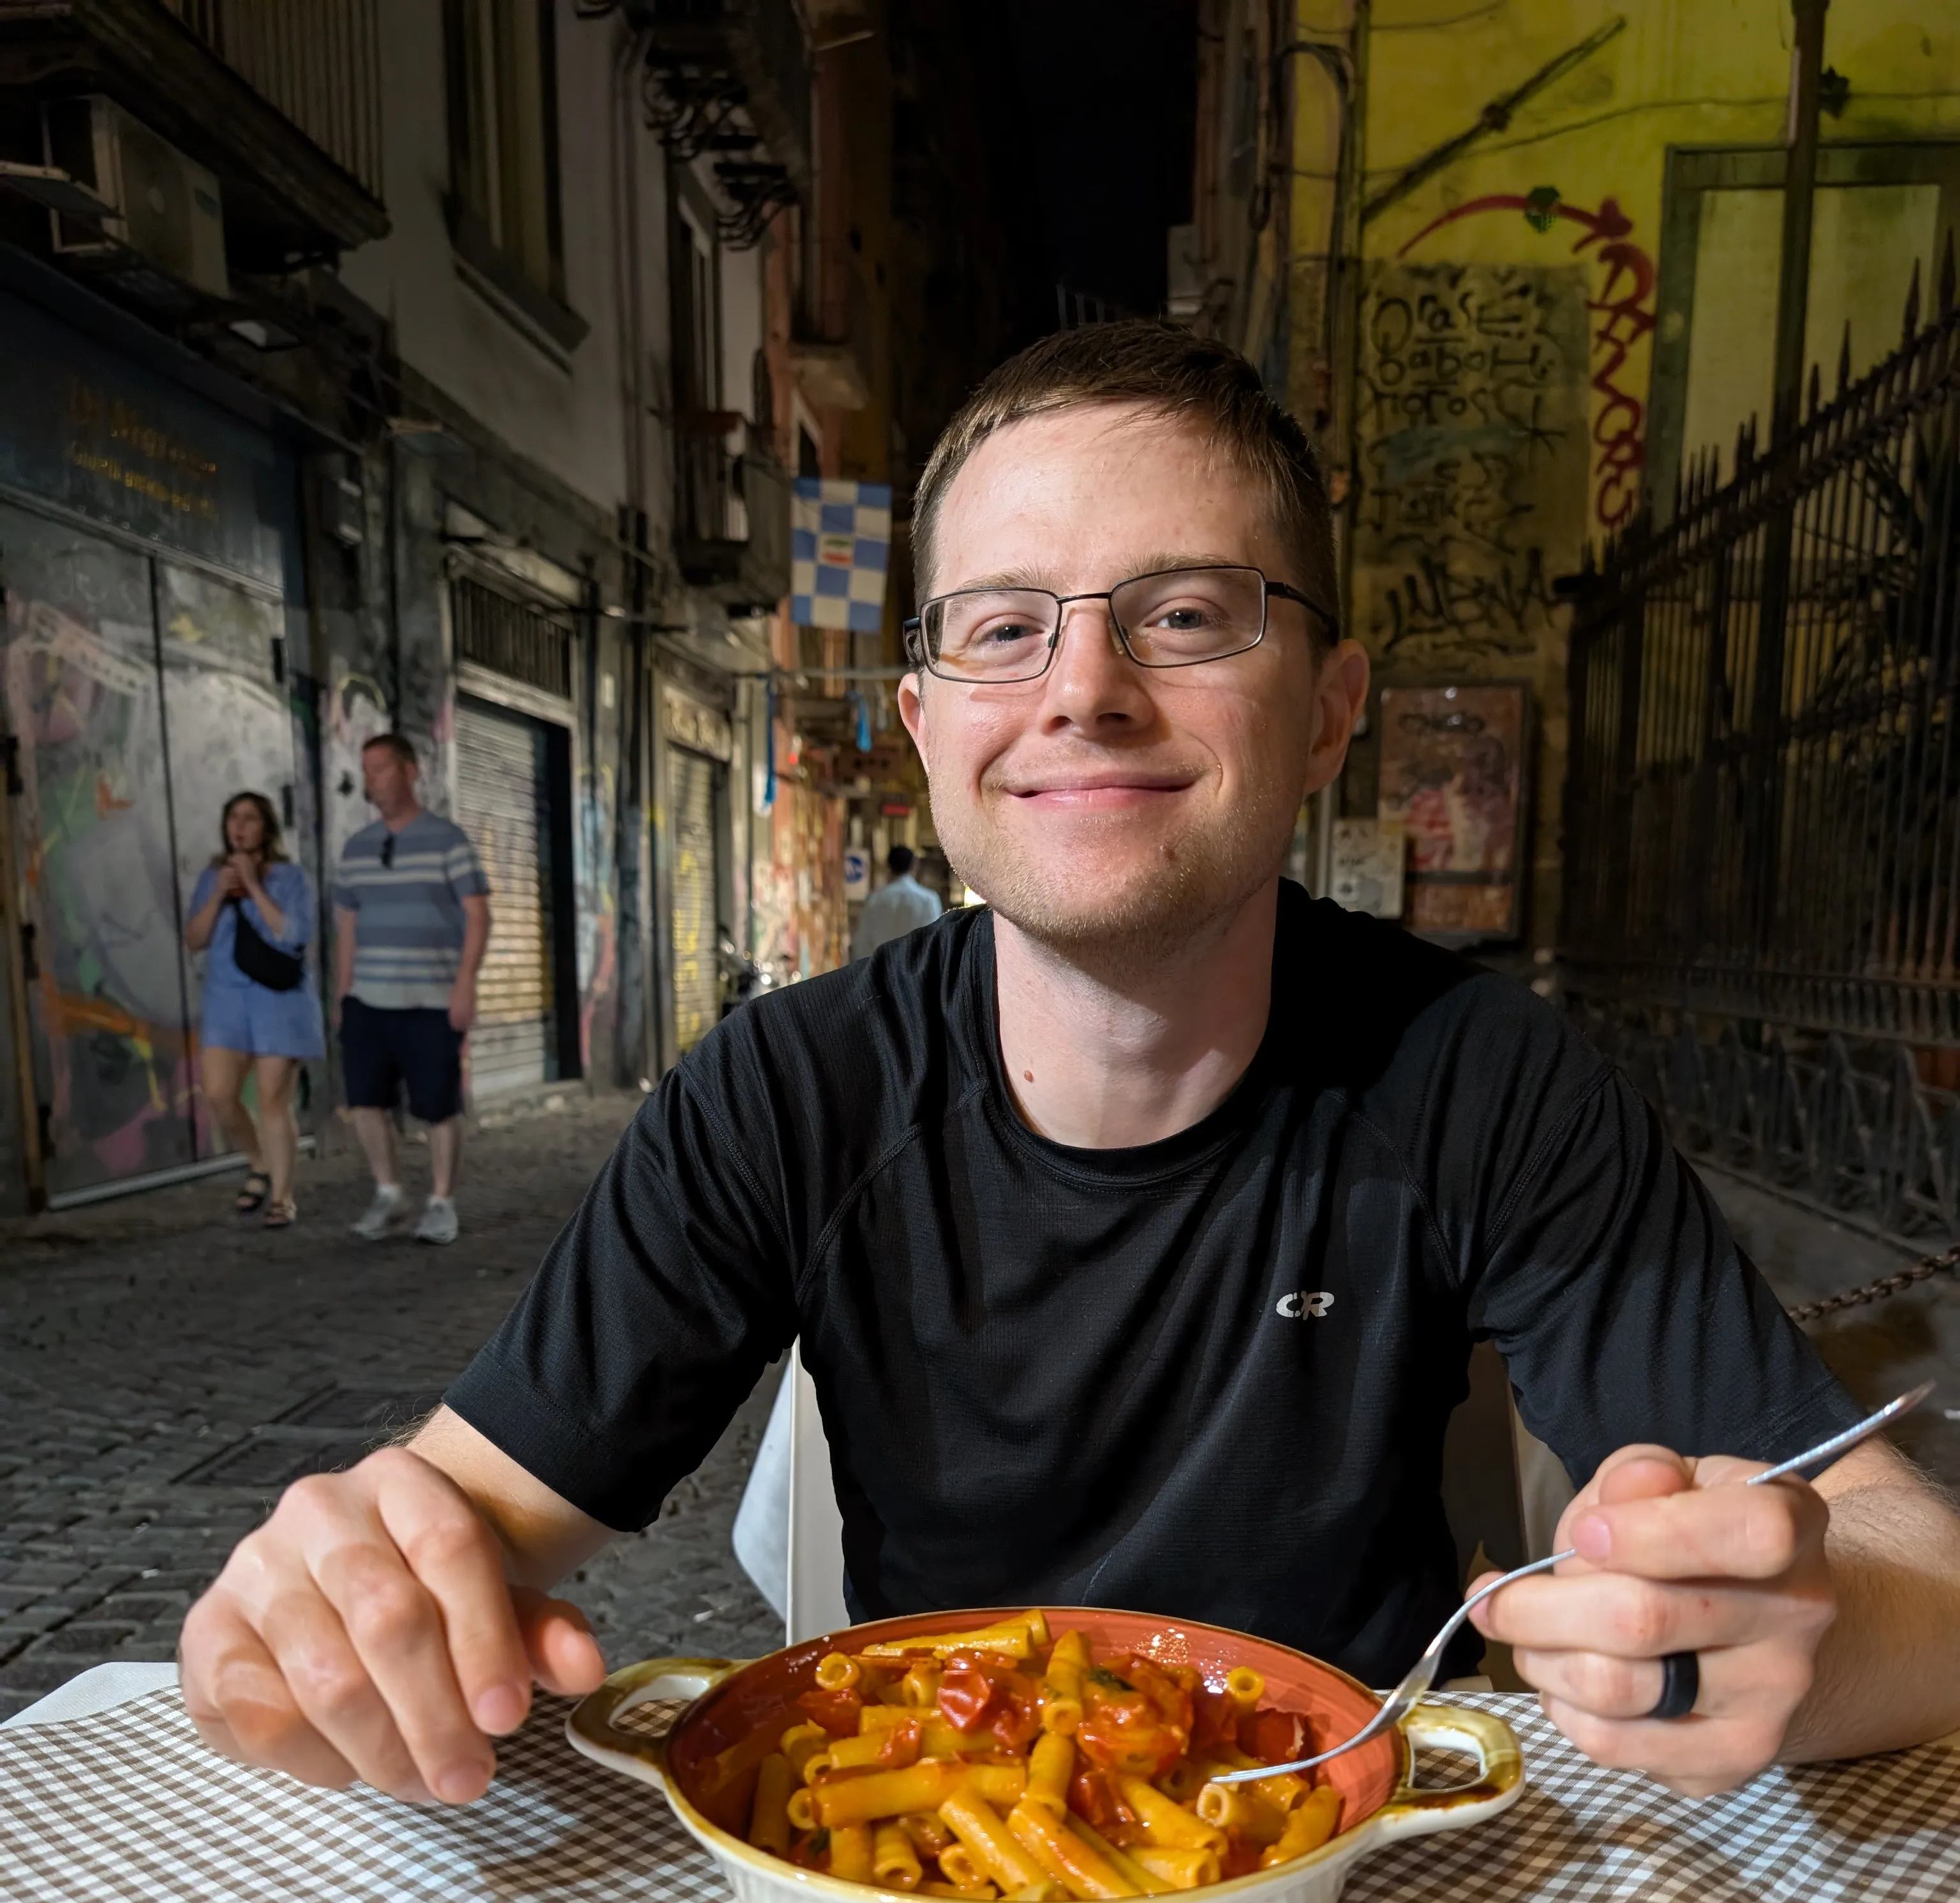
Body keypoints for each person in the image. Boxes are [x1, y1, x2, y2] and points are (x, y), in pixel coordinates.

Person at [182, 322, 1960, 1813]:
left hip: (1346, 1879)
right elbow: (467, 1525)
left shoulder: (1486, 1077)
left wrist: (1813, 1633)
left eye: (1186, 615)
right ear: (930, 723)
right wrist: (327, 1607)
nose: (1085, 687)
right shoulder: (784, 1092)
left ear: (1333, 708)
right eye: (1005, 624)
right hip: (928, 1859)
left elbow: (1912, 1562)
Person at [334, 732, 491, 1246]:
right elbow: (348, 926)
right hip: (368, 1000)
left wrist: (464, 986)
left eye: (380, 768)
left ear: (409, 771)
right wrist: (344, 995)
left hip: (430, 1000)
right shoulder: (356, 849)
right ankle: (389, 1192)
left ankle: (442, 1201)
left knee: (437, 1105)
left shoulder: (448, 840)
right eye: (366, 769)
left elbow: (477, 916)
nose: (371, 780)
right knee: (366, 1103)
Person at [183, 791, 324, 1229]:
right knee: (219, 1094)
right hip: (226, 1001)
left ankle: (283, 1197)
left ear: (266, 828)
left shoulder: (290, 877)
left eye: (249, 819)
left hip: (278, 1001)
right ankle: (258, 1162)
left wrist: (255, 886)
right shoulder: (213, 877)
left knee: (272, 1100)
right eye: (233, 819)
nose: (239, 827)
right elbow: (194, 939)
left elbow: (294, 934)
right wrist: (220, 894)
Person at [849, 843, 942, 959]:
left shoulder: (874, 900)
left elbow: (862, 944)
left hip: (881, 969)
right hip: (915, 970)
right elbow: (934, 943)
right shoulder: (928, 900)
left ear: (888, 867)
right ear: (914, 865)